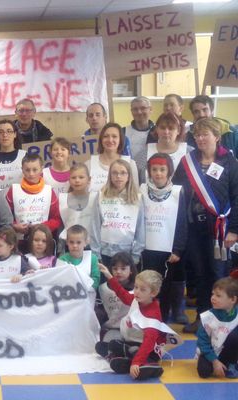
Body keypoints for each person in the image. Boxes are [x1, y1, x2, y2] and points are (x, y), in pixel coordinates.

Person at [173, 118, 238, 333]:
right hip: (194, 229)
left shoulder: (229, 161)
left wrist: (234, 230)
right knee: (200, 275)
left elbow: (237, 197)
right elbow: (176, 191)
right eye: (197, 135)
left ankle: (222, 322)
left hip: (220, 230)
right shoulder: (187, 161)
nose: (200, 139)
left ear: (217, 137)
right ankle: (202, 319)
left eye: (205, 134)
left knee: (219, 275)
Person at [95, 268, 181, 380]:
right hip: (134, 342)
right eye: (135, 287)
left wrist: (136, 362)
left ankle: (146, 364)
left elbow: (148, 342)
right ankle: (128, 355)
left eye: (142, 289)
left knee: (136, 365)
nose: (137, 291)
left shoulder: (152, 314)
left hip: (149, 349)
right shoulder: (138, 299)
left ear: (153, 293)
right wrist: (110, 277)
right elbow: (124, 295)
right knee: (103, 345)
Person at [140, 153, 188, 324]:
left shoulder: (177, 192)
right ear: (149, 171)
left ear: (169, 171)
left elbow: (182, 222)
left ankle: (163, 317)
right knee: (146, 284)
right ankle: (146, 317)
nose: (158, 173)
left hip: (168, 250)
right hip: (147, 248)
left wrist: (178, 249)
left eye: (162, 169)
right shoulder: (142, 190)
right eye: (154, 169)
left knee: (165, 286)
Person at [91, 159, 145, 266]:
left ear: (129, 176)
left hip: (127, 253)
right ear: (110, 176)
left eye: (123, 173)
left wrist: (136, 254)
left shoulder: (137, 198)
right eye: (114, 173)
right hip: (104, 252)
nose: (118, 176)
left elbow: (140, 228)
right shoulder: (101, 196)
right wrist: (96, 253)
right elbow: (95, 226)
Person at [6, 153, 61, 243]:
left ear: (41, 169)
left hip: (43, 242)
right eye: (27, 170)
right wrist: (14, 226)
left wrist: (42, 227)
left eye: (35, 170)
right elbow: (5, 218)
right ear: (22, 170)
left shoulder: (49, 191)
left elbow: (57, 219)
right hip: (19, 241)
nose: (31, 174)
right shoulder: (13, 190)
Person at [196, 276, 238, 378]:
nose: (213, 298)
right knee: (204, 372)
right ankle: (221, 364)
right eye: (213, 294)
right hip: (211, 352)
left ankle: (231, 363)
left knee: (234, 336)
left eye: (218, 296)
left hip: (229, 352)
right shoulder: (207, 317)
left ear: (233, 299)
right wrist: (214, 361)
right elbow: (202, 342)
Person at [87, 123, 139, 193]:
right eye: (106, 136)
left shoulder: (130, 164)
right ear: (101, 139)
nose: (110, 140)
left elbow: (136, 193)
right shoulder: (89, 164)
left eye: (114, 136)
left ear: (120, 139)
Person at [98, 252, 137, 342]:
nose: (118, 272)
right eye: (115, 269)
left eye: (123, 269)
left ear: (131, 270)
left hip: (132, 329)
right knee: (110, 342)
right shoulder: (103, 288)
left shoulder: (137, 289)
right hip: (113, 329)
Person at [58, 164, 98, 250]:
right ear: (69, 180)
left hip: (90, 246)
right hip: (70, 245)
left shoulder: (95, 198)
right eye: (73, 177)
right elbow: (60, 225)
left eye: (81, 177)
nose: (77, 180)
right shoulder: (62, 198)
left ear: (89, 179)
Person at [143, 112, 191, 180]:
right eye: (162, 128)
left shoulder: (189, 152)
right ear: (157, 129)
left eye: (171, 128)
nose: (166, 132)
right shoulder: (144, 153)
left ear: (179, 130)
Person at [57, 224, 101, 291]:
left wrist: (83, 289)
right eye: (71, 242)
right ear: (67, 242)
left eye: (78, 242)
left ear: (85, 243)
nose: (75, 245)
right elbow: (60, 280)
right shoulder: (62, 259)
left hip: (88, 296)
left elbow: (96, 279)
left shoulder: (92, 259)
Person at [0, 119, 27, 189]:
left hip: (19, 199)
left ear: (15, 134)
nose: (5, 135)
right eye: (1, 132)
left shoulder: (24, 156)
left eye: (9, 131)